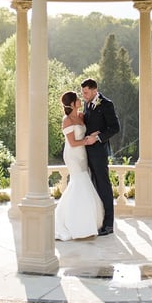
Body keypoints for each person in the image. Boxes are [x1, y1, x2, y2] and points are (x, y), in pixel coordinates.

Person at [54, 91, 104, 241]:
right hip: (73, 154)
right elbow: (72, 142)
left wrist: (94, 135)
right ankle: (77, 224)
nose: (79, 100)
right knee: (80, 182)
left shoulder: (81, 116)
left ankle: (85, 221)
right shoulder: (67, 120)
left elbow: (86, 131)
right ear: (72, 103)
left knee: (82, 182)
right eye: (76, 99)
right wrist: (88, 141)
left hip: (82, 153)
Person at [80, 78, 120, 236]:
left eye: (86, 92)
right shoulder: (87, 104)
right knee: (92, 185)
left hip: (99, 152)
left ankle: (109, 224)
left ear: (94, 90)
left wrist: (97, 137)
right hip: (86, 152)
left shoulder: (106, 104)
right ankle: (97, 219)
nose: (84, 95)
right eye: (83, 92)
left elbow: (115, 128)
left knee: (103, 186)